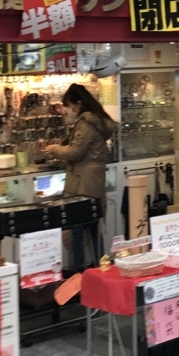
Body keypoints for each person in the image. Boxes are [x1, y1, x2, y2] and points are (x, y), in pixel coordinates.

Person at [45, 84, 117, 270]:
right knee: (93, 226)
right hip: (94, 180)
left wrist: (55, 150)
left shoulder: (86, 123)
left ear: (78, 103)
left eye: (69, 106)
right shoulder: (98, 120)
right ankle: (99, 268)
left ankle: (79, 274)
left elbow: (76, 152)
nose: (67, 110)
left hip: (82, 181)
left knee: (76, 228)